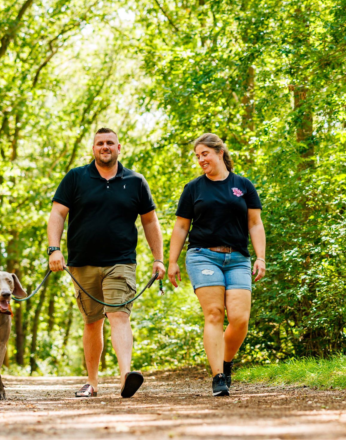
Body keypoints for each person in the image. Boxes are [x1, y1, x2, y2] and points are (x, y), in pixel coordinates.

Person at [47, 127, 165, 398]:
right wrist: (54, 250)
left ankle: (126, 376)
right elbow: (57, 214)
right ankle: (92, 382)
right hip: (82, 262)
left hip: (121, 262)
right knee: (92, 322)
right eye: (100, 143)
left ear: (119, 147)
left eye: (110, 142)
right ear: (93, 148)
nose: (105, 147)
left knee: (119, 315)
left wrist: (158, 259)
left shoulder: (135, 181)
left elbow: (150, 222)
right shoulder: (75, 178)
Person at [167, 133, 265, 396]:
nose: (201, 160)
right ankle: (218, 377)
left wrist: (261, 257)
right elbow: (180, 227)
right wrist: (172, 261)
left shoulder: (243, 185)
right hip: (202, 256)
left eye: (205, 154)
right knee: (214, 314)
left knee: (240, 319)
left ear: (220, 152)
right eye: (197, 156)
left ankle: (225, 361)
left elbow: (255, 224)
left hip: (238, 259)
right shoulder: (193, 189)